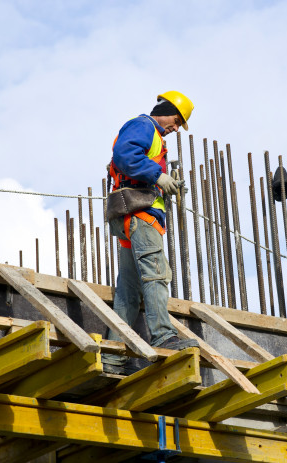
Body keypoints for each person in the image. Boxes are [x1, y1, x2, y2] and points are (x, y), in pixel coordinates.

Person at [101, 91, 199, 375]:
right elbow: (124, 155)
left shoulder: (155, 138)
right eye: (177, 120)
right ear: (165, 110)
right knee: (156, 274)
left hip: (132, 218)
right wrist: (158, 176)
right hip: (140, 217)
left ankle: (113, 355)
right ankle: (164, 336)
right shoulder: (144, 126)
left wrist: (163, 181)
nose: (176, 128)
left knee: (129, 292)